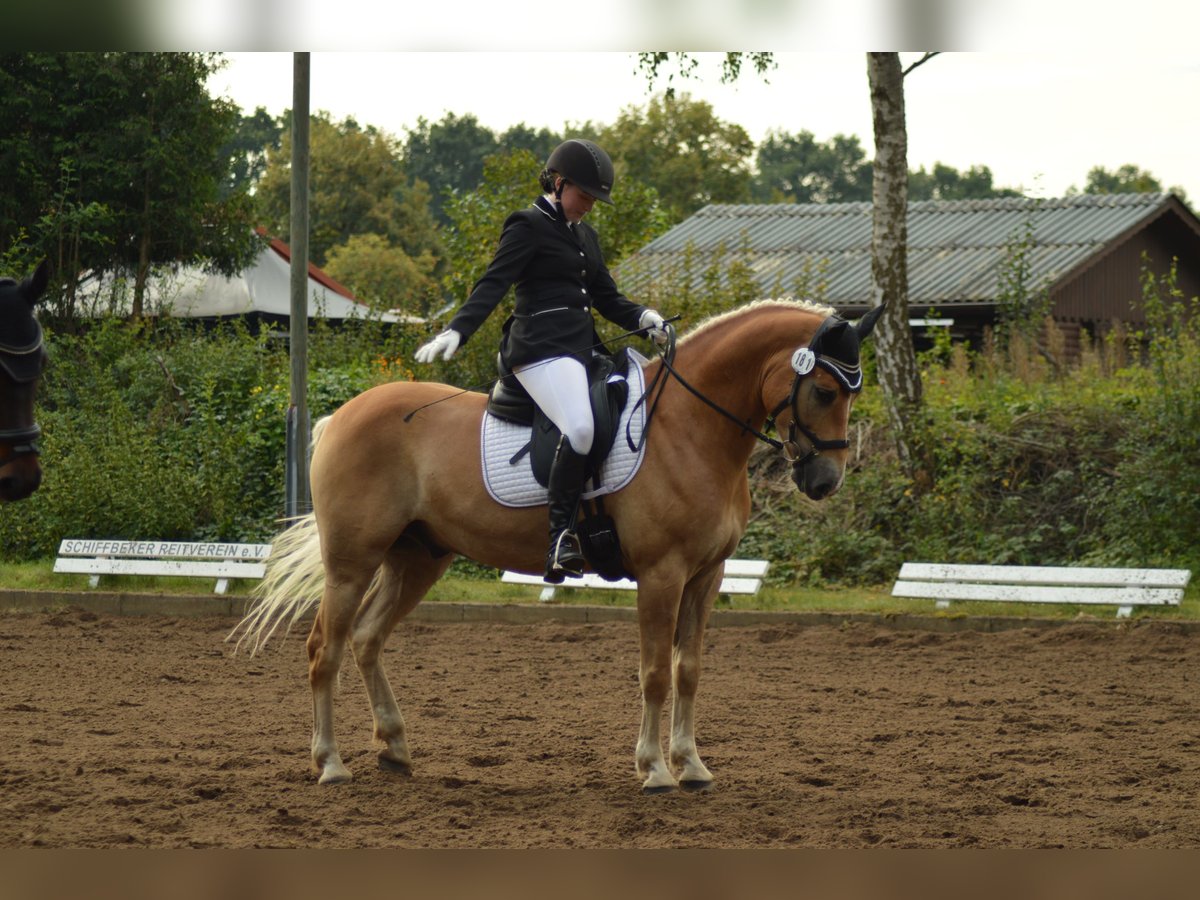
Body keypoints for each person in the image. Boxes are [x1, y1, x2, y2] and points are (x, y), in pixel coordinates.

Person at [414, 138, 667, 583]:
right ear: (558, 181)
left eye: (594, 199)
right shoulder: (527, 225)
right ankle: (559, 539)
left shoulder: (585, 234)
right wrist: (458, 329)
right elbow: (494, 282)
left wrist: (645, 317)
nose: (589, 205)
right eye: (584, 195)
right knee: (582, 428)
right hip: (538, 351)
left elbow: (606, 297)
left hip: (582, 351)